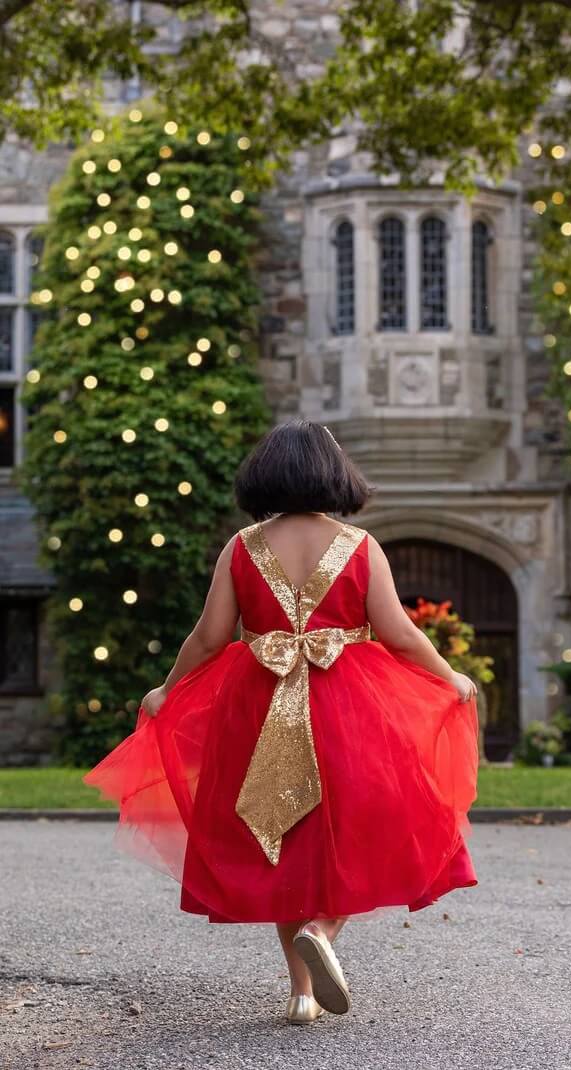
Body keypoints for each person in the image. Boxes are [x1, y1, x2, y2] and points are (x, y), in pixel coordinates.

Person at [83, 419, 479, 1025]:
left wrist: (168, 689)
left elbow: (211, 637)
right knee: (370, 825)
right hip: (349, 704)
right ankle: (322, 930)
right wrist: (449, 676)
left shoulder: (242, 548)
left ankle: (300, 995)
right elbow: (397, 632)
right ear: (333, 474)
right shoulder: (358, 545)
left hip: (260, 703)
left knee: (281, 839)